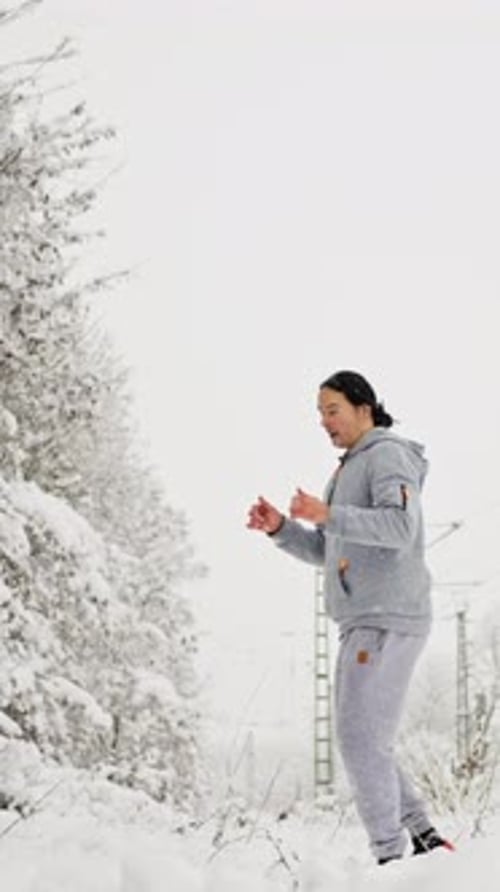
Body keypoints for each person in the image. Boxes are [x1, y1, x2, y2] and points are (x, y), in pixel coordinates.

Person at [247, 370, 453, 864]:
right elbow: (328, 550)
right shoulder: (348, 470)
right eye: (319, 413)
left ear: (364, 408)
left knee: (360, 738)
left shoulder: (387, 456)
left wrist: (328, 514)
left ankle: (390, 856)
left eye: (332, 410)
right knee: (366, 738)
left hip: (388, 615)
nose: (324, 421)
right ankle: (422, 837)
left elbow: (399, 527)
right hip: (364, 617)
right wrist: (281, 529)